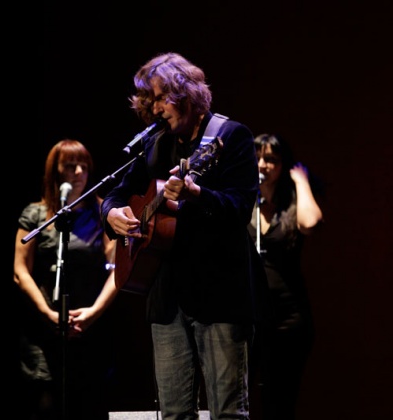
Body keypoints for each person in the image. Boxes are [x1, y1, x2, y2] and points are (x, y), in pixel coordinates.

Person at [101, 52, 267, 419]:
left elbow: (240, 207)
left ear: (187, 93)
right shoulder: (156, 143)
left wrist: (198, 194)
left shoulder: (229, 136)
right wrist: (110, 213)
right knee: (174, 413)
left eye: (161, 98)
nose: (156, 109)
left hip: (220, 295)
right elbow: (115, 192)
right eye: (150, 101)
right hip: (166, 298)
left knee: (227, 412)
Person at [14, 139, 120, 420]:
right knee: (45, 404)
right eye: (69, 166)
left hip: (88, 325)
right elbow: (20, 270)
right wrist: (47, 313)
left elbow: (117, 269)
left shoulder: (101, 213)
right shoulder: (35, 214)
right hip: (44, 328)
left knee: (88, 403)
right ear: (55, 171)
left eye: (83, 166)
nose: (77, 173)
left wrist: (93, 313)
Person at [248, 133, 324, 420]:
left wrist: (301, 181)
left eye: (271, 160)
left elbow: (311, 223)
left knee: (279, 403)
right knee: (239, 399)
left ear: (283, 165)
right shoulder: (244, 201)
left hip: (288, 320)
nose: (263, 164)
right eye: (257, 158)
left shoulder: (292, 205)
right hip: (251, 318)